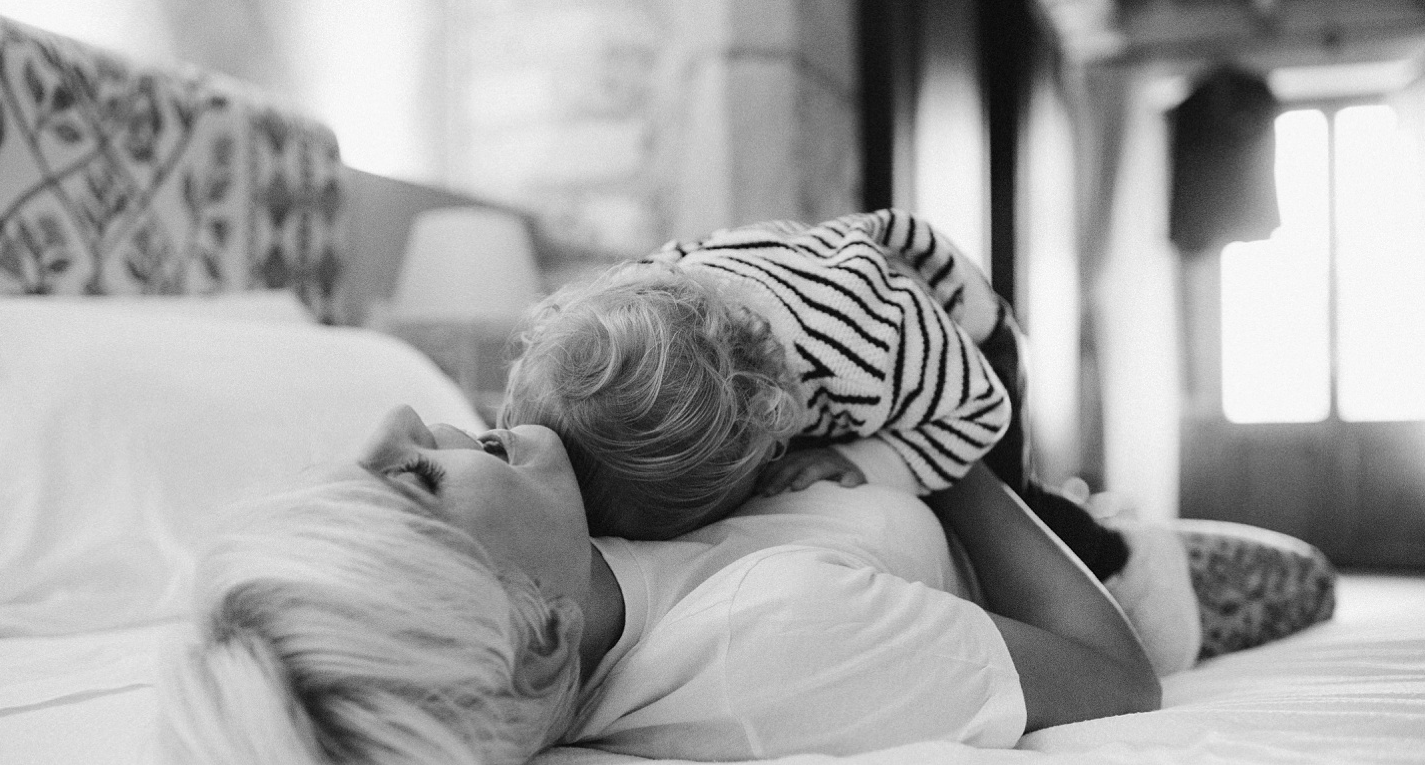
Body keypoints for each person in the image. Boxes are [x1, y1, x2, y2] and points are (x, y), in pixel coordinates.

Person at [158, 405, 1161, 765]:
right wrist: (937, 437)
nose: (399, 417)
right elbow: (1117, 675)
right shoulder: (771, 632)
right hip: (1113, 567)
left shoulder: (575, 546)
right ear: (539, 635)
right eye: (416, 478)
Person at [499, 209, 1200, 674]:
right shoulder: (631, 308)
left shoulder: (863, 353)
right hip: (809, 314)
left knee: (1013, 503)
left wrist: (868, 459)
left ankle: (1118, 555)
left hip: (960, 342)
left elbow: (978, 412)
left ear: (765, 448)